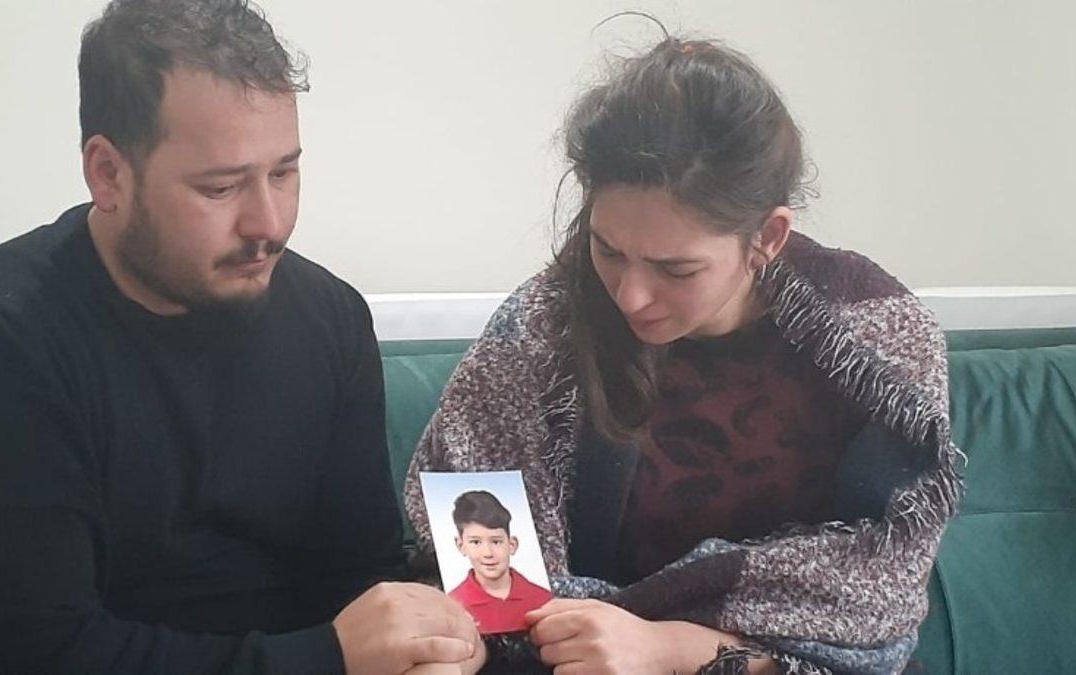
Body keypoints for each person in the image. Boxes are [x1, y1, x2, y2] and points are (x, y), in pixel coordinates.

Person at [0, 1, 483, 673]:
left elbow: (359, 580)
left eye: (283, 173)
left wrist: (428, 646)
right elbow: (39, 655)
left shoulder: (331, 319)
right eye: (220, 187)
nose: (268, 223)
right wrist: (329, 657)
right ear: (108, 174)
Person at [406, 33, 961, 674]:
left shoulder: (880, 340)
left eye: (676, 268)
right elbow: (480, 561)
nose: (630, 296)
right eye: (608, 249)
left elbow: (879, 596)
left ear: (769, 236)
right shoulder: (540, 327)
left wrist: (669, 650)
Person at [448, 491, 552, 634]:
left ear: (512, 545)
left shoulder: (543, 599)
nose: (488, 553)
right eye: (476, 542)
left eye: (496, 542)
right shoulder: (453, 606)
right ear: (461, 546)